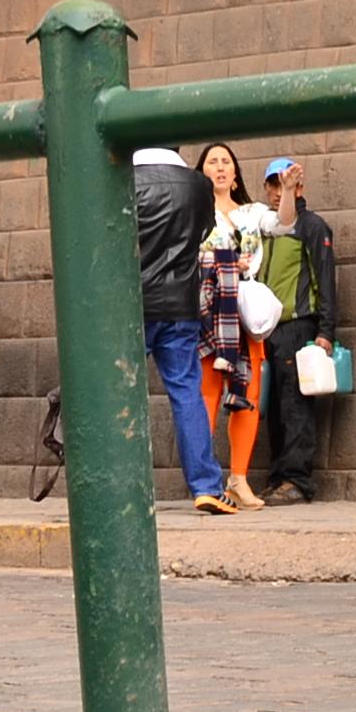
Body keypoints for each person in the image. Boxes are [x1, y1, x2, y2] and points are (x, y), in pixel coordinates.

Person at [130, 143, 241, 511]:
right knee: (186, 392)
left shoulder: (123, 178)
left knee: (120, 394)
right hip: (180, 303)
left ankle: (124, 486)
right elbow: (204, 230)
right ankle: (206, 486)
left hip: (129, 304)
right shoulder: (197, 185)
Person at [192, 143, 274, 515]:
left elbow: (284, 223)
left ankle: (238, 479)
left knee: (249, 396)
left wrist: (287, 191)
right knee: (206, 394)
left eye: (226, 162)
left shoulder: (252, 212)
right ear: (201, 172)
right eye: (213, 162)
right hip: (210, 307)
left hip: (243, 310)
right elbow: (185, 255)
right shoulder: (193, 212)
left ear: (236, 173)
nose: (221, 167)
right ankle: (205, 480)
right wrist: (225, 262)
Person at [253, 156, 339, 502]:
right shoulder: (265, 228)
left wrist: (326, 331)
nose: (278, 191)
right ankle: (279, 476)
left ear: (300, 187)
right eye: (273, 184)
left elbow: (327, 280)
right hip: (266, 329)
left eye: (285, 183)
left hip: (298, 326)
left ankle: (297, 481)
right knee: (273, 407)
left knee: (295, 405)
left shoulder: (312, 227)